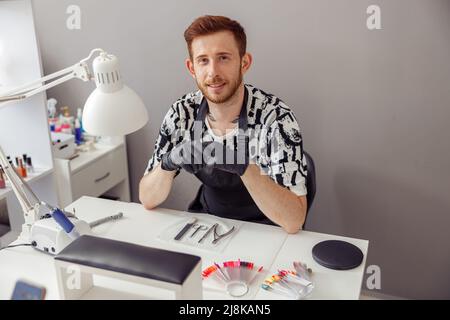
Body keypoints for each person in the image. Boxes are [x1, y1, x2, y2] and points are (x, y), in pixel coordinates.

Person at [139, 15, 308, 233]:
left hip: (267, 229)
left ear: (244, 62)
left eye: (223, 58)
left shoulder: (276, 118)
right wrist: (169, 162)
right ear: (192, 68)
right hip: (207, 224)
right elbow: (147, 198)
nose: (213, 73)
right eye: (203, 60)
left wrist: (243, 166)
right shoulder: (182, 113)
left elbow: (294, 220)